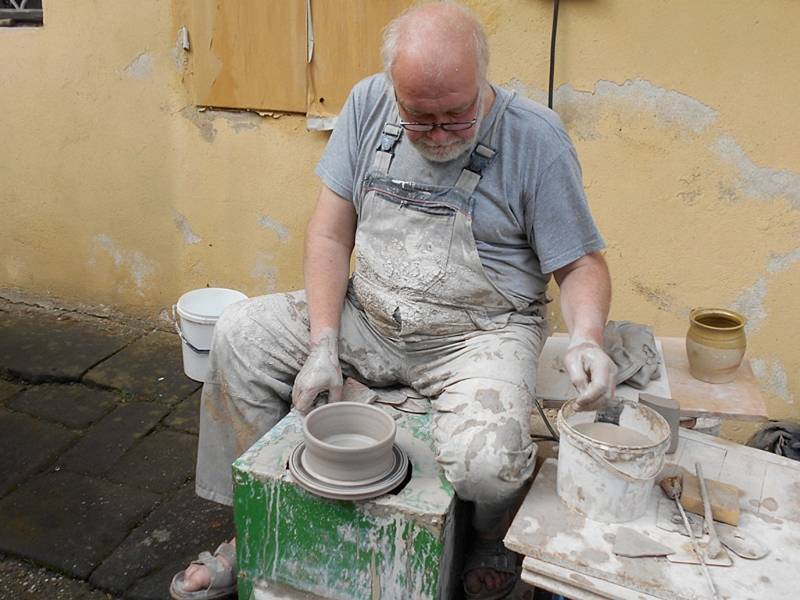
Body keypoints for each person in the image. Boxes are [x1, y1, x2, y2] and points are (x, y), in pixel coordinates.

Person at [170, 2, 617, 599]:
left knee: (490, 462)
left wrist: (587, 337)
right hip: (370, 315)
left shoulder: (535, 139)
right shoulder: (366, 104)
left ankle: (488, 538)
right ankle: (248, 526)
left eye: (456, 116)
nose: (437, 133)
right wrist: (323, 342)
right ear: (393, 89)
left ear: (483, 78)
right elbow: (330, 234)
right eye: (419, 116)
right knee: (239, 332)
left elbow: (581, 263)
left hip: (477, 336)